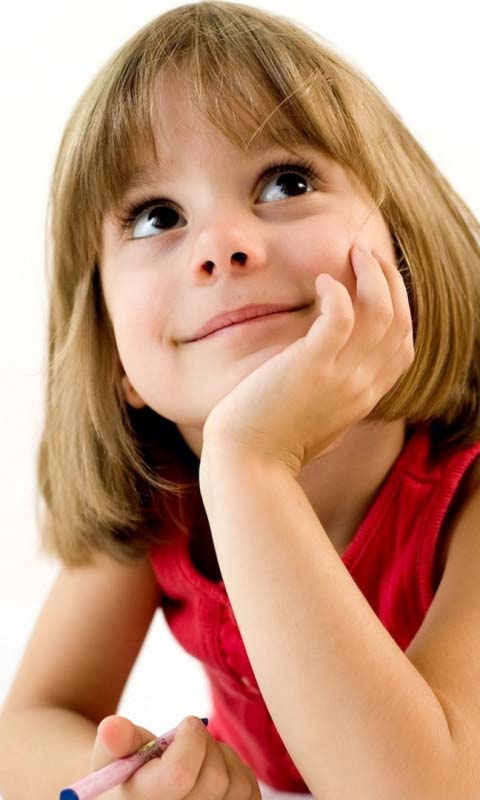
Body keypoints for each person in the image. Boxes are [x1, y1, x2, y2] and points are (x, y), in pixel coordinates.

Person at [1, 2, 480, 798]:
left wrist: (250, 465)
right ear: (114, 353)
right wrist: (137, 786)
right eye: (157, 217)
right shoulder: (161, 496)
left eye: (286, 182)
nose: (222, 246)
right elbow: (25, 727)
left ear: (404, 247)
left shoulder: (467, 494)